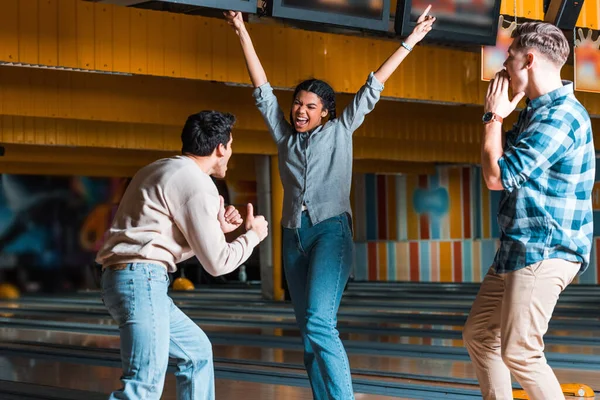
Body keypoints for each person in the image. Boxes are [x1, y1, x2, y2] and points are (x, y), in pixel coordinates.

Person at [225, 9, 435, 399]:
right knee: (308, 332)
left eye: (309, 106)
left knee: (320, 322)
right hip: (293, 237)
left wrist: (411, 41)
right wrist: (240, 30)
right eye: (297, 105)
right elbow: (262, 89)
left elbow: (374, 85)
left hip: (331, 233)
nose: (299, 111)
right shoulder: (285, 138)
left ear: (325, 112)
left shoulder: (342, 129)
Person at [96, 110, 269, 400]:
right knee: (143, 388)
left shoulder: (158, 169)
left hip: (128, 278)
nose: (230, 153)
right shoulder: (198, 185)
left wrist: (217, 228)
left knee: (197, 352)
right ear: (220, 148)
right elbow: (218, 264)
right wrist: (253, 235)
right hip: (142, 280)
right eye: (231, 145)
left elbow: (158, 235)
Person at [463, 22, 595, 400]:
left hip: (545, 248)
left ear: (530, 60)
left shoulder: (561, 116)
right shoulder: (536, 112)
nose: (503, 68)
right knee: (480, 335)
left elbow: (497, 176)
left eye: (509, 57)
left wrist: (493, 117)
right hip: (520, 247)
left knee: (520, 350)